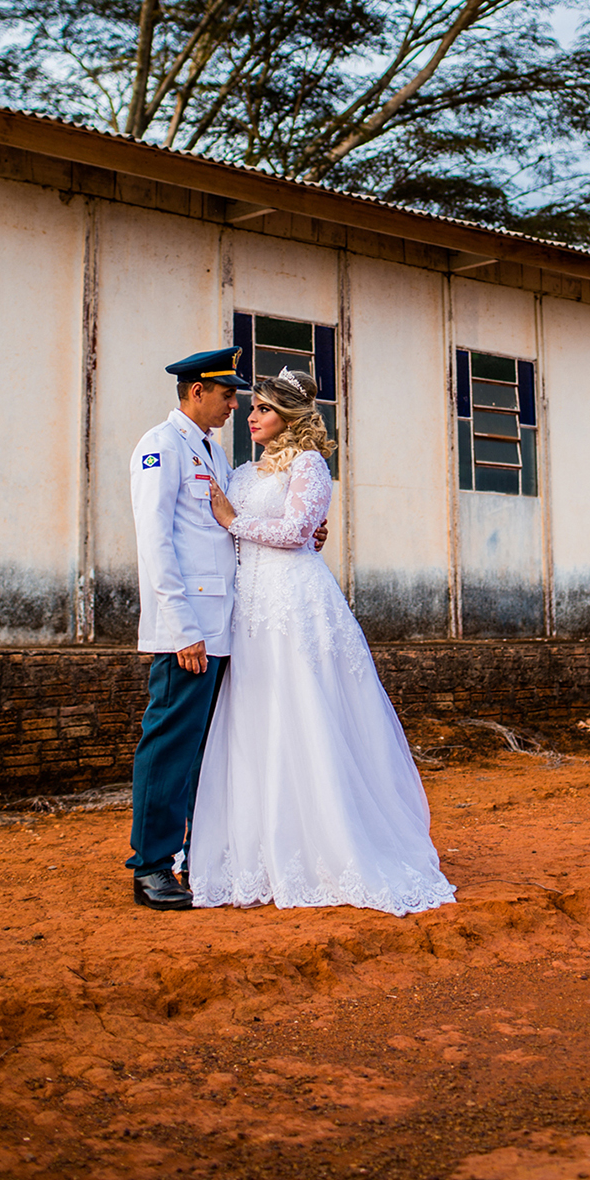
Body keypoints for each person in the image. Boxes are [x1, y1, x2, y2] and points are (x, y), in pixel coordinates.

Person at [188, 367, 456, 916]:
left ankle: (328, 842)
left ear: (288, 417)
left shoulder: (310, 464)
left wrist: (232, 521)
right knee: (256, 719)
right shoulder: (241, 471)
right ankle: (258, 844)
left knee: (304, 712)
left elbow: (293, 533)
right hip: (252, 608)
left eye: (261, 409)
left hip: (295, 602)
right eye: (251, 407)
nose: (250, 416)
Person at [126, 347, 246, 910]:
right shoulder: (161, 447)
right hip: (189, 627)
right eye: (226, 394)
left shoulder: (213, 454)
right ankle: (151, 864)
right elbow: (155, 543)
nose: (233, 405)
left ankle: (193, 858)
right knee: (170, 745)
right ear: (197, 390)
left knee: (202, 749)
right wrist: (180, 628)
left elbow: (224, 530)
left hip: (220, 623)